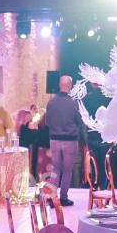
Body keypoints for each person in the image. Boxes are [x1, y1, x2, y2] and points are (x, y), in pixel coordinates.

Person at [44, 74, 82, 206]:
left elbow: (47, 122)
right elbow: (79, 121)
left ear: (60, 85)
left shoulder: (51, 102)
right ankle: (63, 198)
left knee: (55, 170)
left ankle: (52, 197)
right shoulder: (74, 102)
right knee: (67, 170)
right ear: (70, 86)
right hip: (70, 140)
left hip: (54, 140)